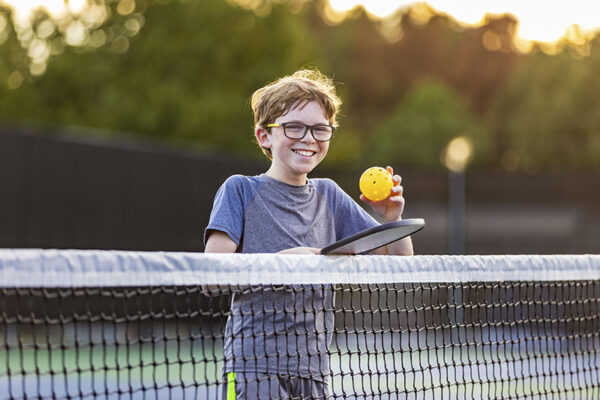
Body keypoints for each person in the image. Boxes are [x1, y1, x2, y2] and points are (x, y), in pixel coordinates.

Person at [204, 69, 413, 399]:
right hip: (253, 365)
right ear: (264, 136)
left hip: (312, 368)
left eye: (320, 129)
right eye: (294, 127)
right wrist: (282, 264)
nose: (309, 138)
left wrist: (391, 219)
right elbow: (210, 278)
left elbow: (400, 265)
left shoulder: (330, 195)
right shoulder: (239, 190)